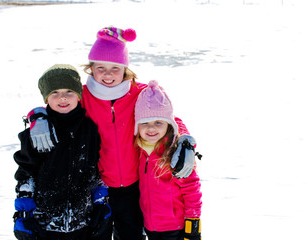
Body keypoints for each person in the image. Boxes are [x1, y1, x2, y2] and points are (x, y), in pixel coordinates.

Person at [24, 27, 199, 240]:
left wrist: (185, 140)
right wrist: (37, 116)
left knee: (131, 235)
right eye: (101, 67)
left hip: (135, 185)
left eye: (115, 67)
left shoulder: (140, 93)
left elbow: (168, 117)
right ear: (91, 69)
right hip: (99, 188)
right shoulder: (84, 95)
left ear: (125, 69)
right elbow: (58, 106)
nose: (108, 74)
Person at [12, 64, 111, 240]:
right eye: (54, 93)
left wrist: (101, 202)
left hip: (84, 222)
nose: (62, 98)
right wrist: (24, 211)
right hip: (45, 223)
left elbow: (95, 169)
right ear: (46, 98)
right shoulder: (37, 132)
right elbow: (26, 172)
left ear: (79, 95)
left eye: (69, 92)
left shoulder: (89, 130)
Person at [134, 80, 202, 240]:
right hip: (150, 227)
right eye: (145, 123)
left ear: (169, 125)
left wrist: (192, 225)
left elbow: (192, 190)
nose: (151, 128)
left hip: (174, 228)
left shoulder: (176, 154)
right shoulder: (139, 150)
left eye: (158, 122)